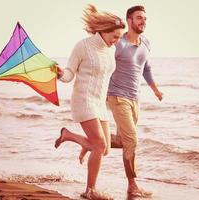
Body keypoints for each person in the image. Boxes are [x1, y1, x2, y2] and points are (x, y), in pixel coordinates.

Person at [79, 5, 163, 198]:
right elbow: (103, 62)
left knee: (123, 141)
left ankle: (89, 142)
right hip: (117, 97)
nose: (143, 21)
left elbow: (146, 68)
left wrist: (156, 90)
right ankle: (132, 185)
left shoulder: (146, 43)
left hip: (135, 98)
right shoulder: (119, 44)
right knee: (132, 140)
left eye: (145, 18)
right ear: (130, 21)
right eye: (139, 18)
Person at [53, 4, 125, 200]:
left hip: (100, 103)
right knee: (99, 146)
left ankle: (68, 135)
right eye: (115, 36)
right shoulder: (82, 46)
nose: (117, 41)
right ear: (103, 31)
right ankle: (89, 190)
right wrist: (60, 73)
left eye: (119, 37)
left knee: (105, 150)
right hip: (83, 100)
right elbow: (69, 75)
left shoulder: (110, 50)